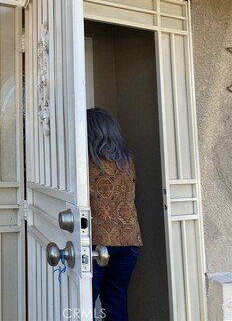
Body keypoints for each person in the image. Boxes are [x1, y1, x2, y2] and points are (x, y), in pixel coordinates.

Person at [87, 108, 142, 321]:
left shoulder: (87, 161)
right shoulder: (126, 161)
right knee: (116, 300)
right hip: (129, 240)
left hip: (99, 243)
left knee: (84, 301)